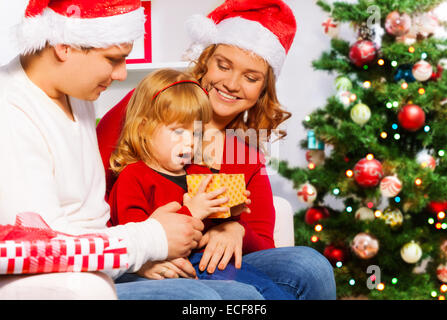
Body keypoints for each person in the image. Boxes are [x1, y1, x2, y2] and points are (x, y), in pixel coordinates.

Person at [0, 0, 263, 300]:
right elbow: (42, 248)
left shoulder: (76, 91)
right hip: (73, 279)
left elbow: (95, 215)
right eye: (114, 59)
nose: (122, 74)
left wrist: (229, 221)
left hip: (114, 259)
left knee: (304, 268)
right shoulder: (10, 113)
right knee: (219, 298)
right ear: (64, 46)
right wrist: (150, 244)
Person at [97, 0, 336, 299]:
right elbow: (85, 192)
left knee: (310, 265)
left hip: (211, 260)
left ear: (263, 90)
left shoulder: (243, 154)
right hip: (134, 256)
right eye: (223, 65)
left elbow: (258, 236)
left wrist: (234, 229)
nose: (232, 83)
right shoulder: (154, 105)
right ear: (205, 60)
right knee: (241, 295)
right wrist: (140, 254)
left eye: (251, 78)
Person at [107, 68, 294, 299]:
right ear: (144, 128)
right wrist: (193, 211)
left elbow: (215, 226)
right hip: (176, 270)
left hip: (210, 260)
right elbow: (137, 241)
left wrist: (230, 214)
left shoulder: (199, 172)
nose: (189, 142)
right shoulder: (132, 178)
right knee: (249, 294)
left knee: (269, 290)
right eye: (177, 131)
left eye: (196, 133)